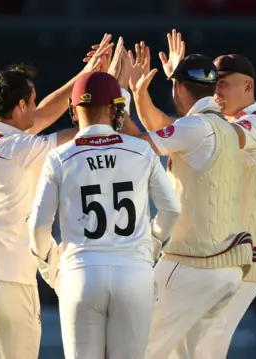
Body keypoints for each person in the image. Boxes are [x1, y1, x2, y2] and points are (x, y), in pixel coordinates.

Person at [0, 34, 113, 359]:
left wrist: (82, 78)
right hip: (6, 278)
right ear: (20, 105)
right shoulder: (20, 149)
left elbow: (39, 118)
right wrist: (98, 86)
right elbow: (84, 131)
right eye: (32, 101)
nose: (36, 107)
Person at [28, 71, 181, 359]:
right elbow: (172, 209)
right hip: (133, 272)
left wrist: (54, 272)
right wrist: (151, 246)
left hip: (81, 273)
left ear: (74, 111)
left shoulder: (59, 157)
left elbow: (38, 227)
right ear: (116, 109)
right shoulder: (141, 151)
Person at [120, 35, 253, 359]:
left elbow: (136, 144)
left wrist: (120, 93)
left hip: (193, 265)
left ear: (178, 89)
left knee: (133, 350)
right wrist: (141, 93)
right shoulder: (224, 128)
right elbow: (163, 131)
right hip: (227, 270)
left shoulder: (195, 127)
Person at [195, 54, 256, 359]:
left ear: (248, 86)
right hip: (225, 256)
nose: (216, 92)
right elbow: (180, 136)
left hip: (244, 258)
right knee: (200, 345)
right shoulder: (220, 126)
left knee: (207, 345)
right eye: (214, 85)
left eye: (224, 84)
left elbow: (201, 137)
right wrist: (139, 95)